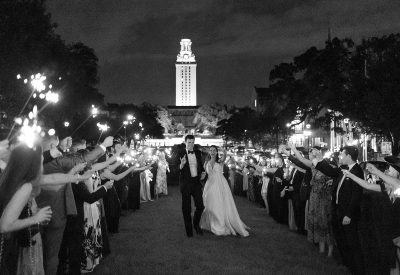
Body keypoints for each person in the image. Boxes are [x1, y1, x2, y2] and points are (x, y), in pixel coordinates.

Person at [313, 146, 365, 275]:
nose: (339, 156)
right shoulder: (342, 169)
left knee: (352, 243)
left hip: (347, 214)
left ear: (348, 156)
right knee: (341, 241)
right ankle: (346, 265)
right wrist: (319, 161)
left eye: (341, 154)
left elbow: (356, 195)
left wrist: (349, 214)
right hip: (337, 211)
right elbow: (330, 171)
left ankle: (357, 269)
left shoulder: (357, 171)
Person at [200, 146, 249, 237]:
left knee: (219, 203)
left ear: (216, 152)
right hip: (209, 184)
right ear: (209, 152)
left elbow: (224, 156)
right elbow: (204, 174)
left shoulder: (220, 161)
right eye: (211, 150)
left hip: (220, 184)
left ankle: (220, 223)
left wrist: (223, 150)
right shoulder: (206, 162)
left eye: (214, 150)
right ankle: (210, 223)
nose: (212, 152)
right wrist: (202, 177)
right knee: (209, 204)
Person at [178, 135, 206, 237]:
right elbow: (176, 168)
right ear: (185, 142)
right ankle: (189, 231)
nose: (191, 144)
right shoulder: (180, 153)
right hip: (185, 184)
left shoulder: (198, 153)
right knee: (186, 208)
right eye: (189, 142)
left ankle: (196, 224)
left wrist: (203, 173)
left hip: (196, 183)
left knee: (200, 206)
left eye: (192, 142)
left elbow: (201, 166)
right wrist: (181, 164)